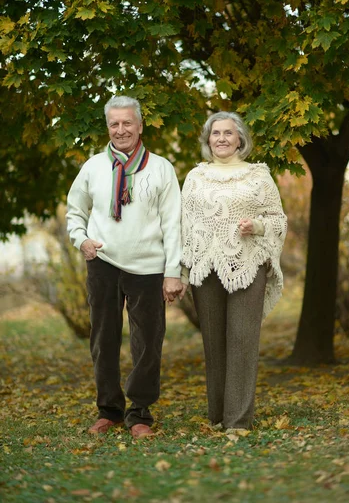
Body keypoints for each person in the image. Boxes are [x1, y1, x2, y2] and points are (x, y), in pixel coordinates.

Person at [66, 95, 183, 438]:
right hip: (102, 262)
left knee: (148, 342)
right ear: (108, 127)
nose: (121, 130)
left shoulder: (161, 167)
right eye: (114, 124)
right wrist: (81, 239)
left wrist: (173, 271)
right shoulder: (93, 167)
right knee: (103, 339)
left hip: (149, 266)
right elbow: (75, 210)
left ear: (140, 125)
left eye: (127, 123)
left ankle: (140, 412)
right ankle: (109, 410)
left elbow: (173, 223)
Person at [180, 111, 287, 432]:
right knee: (213, 343)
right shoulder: (195, 178)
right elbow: (184, 226)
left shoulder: (258, 176)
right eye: (216, 133)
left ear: (241, 139)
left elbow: (278, 219)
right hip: (205, 266)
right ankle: (217, 417)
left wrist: (256, 225)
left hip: (247, 264)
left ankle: (238, 421)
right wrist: (181, 271)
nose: (222, 138)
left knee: (242, 340)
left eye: (229, 133)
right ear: (207, 139)